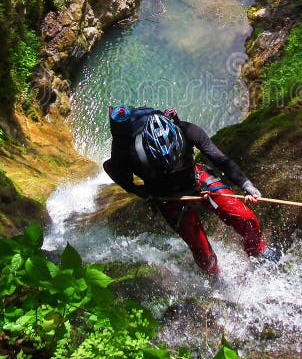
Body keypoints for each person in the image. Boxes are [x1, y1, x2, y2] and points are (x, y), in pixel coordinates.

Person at [103, 106, 282, 275]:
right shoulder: (128, 153)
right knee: (203, 252)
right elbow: (110, 167)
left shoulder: (187, 130)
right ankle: (215, 276)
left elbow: (220, 158)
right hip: (167, 197)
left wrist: (247, 186)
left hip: (195, 179)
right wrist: (139, 191)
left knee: (245, 217)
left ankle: (257, 251)